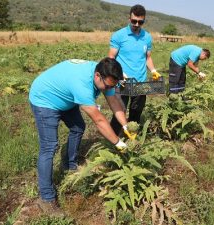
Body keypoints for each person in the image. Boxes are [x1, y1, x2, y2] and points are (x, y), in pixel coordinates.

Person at [29, 57, 132, 217]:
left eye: (113, 86)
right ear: (98, 76)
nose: (109, 89)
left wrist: (126, 126)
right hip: (45, 99)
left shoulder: (106, 75)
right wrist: (118, 142)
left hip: (65, 97)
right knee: (49, 147)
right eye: (108, 86)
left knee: (78, 127)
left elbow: (113, 102)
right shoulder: (82, 85)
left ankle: (69, 165)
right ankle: (46, 198)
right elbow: (98, 120)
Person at [108, 4, 161, 135]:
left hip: (141, 81)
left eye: (140, 22)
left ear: (144, 20)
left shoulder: (147, 37)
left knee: (137, 111)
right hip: (123, 81)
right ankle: (113, 138)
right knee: (120, 110)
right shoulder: (119, 35)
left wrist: (153, 70)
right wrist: (119, 74)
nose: (137, 24)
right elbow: (111, 57)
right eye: (134, 21)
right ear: (129, 18)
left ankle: (133, 136)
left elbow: (148, 58)